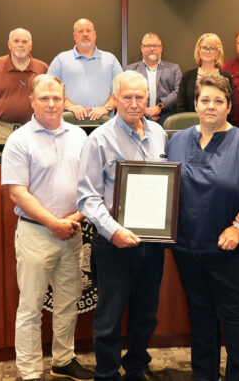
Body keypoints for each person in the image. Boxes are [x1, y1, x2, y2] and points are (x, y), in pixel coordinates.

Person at [166, 74, 239, 381]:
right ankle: (204, 375)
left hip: (232, 252)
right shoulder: (177, 141)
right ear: (195, 104)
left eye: (218, 101)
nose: (211, 106)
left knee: (235, 318)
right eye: (205, 100)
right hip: (188, 248)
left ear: (229, 106)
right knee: (200, 315)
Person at [1, 74, 94, 381]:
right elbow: (18, 193)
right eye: (44, 98)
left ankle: (63, 360)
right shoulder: (19, 140)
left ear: (64, 101)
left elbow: (89, 184)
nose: (52, 104)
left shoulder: (79, 136)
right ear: (32, 102)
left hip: (73, 231)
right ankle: (29, 372)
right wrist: (53, 223)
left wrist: (76, 218)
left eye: (57, 98)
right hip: (36, 233)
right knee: (30, 307)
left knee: (68, 301)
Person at [77, 70, 168, 381]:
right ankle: (106, 373)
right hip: (113, 242)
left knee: (147, 313)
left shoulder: (159, 134)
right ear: (115, 99)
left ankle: (137, 367)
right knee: (110, 317)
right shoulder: (99, 140)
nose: (133, 103)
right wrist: (113, 230)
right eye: (126, 97)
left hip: (152, 242)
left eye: (139, 97)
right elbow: (87, 197)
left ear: (147, 98)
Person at [0, 28, 48, 150]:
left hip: (33, 131)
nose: (20, 45)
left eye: (24, 41)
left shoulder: (42, 68)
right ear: (9, 44)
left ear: (30, 46)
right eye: (16, 41)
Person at [48, 18, 123, 121]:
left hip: (104, 123)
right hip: (68, 123)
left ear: (94, 35)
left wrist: (106, 108)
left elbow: (121, 90)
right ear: (74, 36)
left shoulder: (110, 60)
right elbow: (50, 89)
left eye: (88, 31)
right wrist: (71, 107)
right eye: (80, 31)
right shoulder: (60, 60)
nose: (85, 34)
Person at [125, 32, 182, 125]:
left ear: (161, 48)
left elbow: (178, 92)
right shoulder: (130, 70)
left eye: (155, 46)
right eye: (148, 46)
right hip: (137, 119)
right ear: (142, 48)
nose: (152, 49)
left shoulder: (174, 69)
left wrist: (159, 107)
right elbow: (126, 94)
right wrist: (145, 111)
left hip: (166, 120)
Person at [177, 33, 235, 115]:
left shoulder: (226, 77)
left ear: (218, 52)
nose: (207, 51)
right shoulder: (187, 77)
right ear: (199, 50)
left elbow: (231, 107)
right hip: (191, 122)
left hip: (219, 122)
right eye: (204, 47)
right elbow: (181, 107)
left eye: (212, 48)